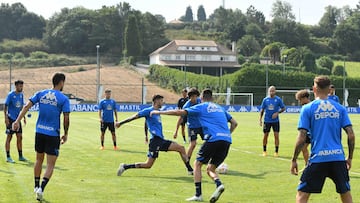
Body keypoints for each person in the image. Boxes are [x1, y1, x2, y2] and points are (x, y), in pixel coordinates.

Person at [151, 89, 238, 203]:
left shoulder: (201, 106)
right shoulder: (220, 108)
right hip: (226, 140)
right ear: (212, 97)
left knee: (197, 164)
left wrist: (159, 112)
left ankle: (198, 195)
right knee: (210, 168)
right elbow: (234, 123)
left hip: (213, 139)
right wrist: (226, 134)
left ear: (201, 98)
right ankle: (219, 184)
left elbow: (179, 113)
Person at [290, 75, 355, 203]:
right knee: (345, 193)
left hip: (318, 158)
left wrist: (294, 159)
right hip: (337, 158)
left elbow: (302, 136)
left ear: (314, 88)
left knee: (302, 194)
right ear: (329, 89)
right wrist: (350, 157)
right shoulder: (340, 108)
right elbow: (351, 134)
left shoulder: (307, 108)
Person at [12, 73, 70, 201]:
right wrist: (65, 134)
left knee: (39, 160)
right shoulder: (63, 98)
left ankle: (36, 185)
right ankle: (41, 189)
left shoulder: (41, 93)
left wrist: (17, 121)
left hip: (39, 132)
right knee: (50, 164)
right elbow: (66, 118)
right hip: (53, 134)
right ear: (61, 82)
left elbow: (27, 106)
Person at [115, 94, 193, 176]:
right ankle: (125, 166)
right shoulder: (148, 110)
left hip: (160, 140)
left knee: (181, 148)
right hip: (155, 141)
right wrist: (120, 123)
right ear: (156, 101)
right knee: (148, 165)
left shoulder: (157, 112)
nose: (163, 103)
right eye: (162, 101)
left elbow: (146, 124)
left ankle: (190, 170)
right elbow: (135, 116)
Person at [4, 80, 27, 163]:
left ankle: (20, 156)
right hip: (10, 119)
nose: (21, 88)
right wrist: (6, 118)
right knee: (9, 137)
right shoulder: (10, 95)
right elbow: (5, 106)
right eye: (20, 86)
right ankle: (8, 156)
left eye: (22, 86)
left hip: (17, 120)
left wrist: (23, 117)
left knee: (20, 137)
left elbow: (21, 107)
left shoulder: (21, 95)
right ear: (16, 86)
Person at [259, 86, 286, 157]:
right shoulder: (265, 100)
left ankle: (276, 151)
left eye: (273, 91)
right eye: (270, 91)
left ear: (275, 91)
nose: (271, 92)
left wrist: (277, 113)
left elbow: (283, 108)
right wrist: (260, 120)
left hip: (275, 121)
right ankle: (264, 151)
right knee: (265, 135)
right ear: (268, 91)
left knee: (276, 136)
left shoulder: (278, 99)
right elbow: (262, 110)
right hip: (267, 121)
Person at [182, 88, 203, 162]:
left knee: (210, 141)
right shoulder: (186, 106)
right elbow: (181, 117)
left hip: (201, 126)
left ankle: (211, 161)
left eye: (196, 96)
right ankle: (187, 162)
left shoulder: (199, 101)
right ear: (189, 97)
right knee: (193, 144)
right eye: (193, 97)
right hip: (192, 127)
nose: (195, 98)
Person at [295, 89, 311, 166]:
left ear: (305, 98)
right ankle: (307, 164)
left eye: (300, 100)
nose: (299, 102)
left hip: (314, 133)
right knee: (303, 148)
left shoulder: (311, 107)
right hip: (307, 132)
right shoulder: (304, 107)